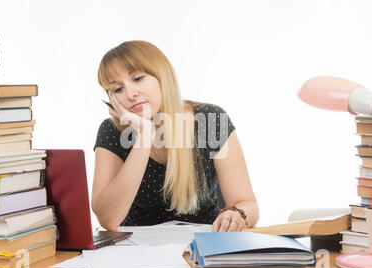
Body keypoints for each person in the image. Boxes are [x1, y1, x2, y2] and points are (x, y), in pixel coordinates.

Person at [92, 40, 259, 232]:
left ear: (162, 76)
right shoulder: (112, 130)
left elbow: (247, 203)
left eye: (138, 78)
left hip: (204, 244)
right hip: (137, 252)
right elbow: (108, 220)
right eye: (118, 88)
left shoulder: (210, 119)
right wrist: (144, 135)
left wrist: (236, 215)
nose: (130, 93)